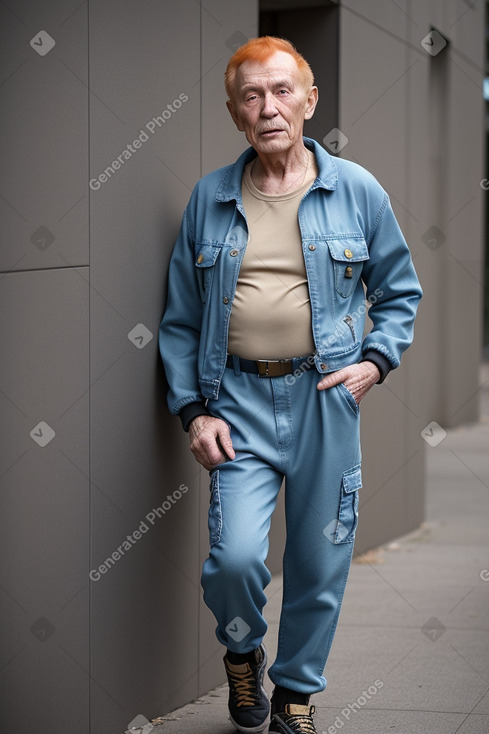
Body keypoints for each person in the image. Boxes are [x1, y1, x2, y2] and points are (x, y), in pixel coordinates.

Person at [159, 35, 422, 734]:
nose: (267, 107)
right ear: (232, 111)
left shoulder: (355, 189)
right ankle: (241, 652)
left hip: (323, 401)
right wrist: (192, 412)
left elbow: (398, 292)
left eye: (281, 91)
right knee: (235, 558)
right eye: (251, 95)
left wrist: (375, 360)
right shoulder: (209, 198)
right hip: (234, 403)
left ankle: (293, 698)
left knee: (318, 559)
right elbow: (182, 321)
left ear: (308, 100)